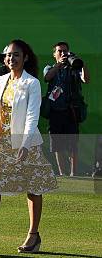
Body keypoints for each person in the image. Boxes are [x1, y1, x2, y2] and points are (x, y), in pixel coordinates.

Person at [0, 40, 58, 254]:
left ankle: (33, 235)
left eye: (16, 55)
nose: (11, 59)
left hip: (26, 144)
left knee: (33, 188)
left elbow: (32, 116)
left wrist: (24, 142)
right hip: (1, 143)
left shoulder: (32, 83)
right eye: (8, 55)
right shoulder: (1, 80)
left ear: (25, 58)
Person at [43, 42, 90, 177]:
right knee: (57, 145)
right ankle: (63, 173)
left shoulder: (74, 69)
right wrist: (59, 65)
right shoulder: (49, 68)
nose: (63, 54)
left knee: (73, 144)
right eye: (60, 51)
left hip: (71, 111)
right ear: (54, 54)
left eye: (65, 51)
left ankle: (73, 174)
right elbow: (47, 77)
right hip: (55, 111)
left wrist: (81, 64)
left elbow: (86, 79)